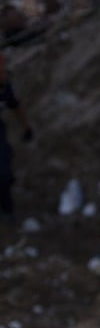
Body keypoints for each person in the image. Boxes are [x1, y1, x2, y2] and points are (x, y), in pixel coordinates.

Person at [0, 53, 32, 225]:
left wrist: (27, 128)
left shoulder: (5, 88)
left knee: (5, 172)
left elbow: (15, 106)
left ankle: (6, 209)